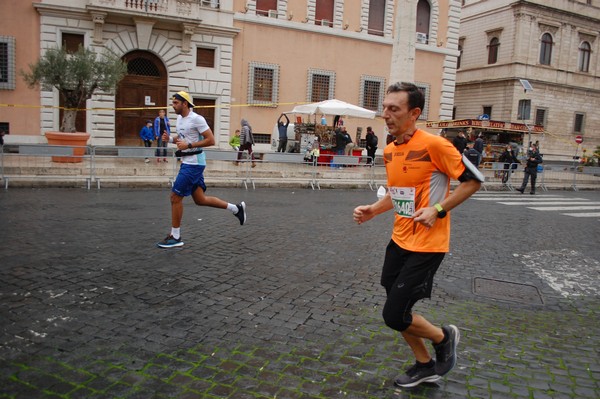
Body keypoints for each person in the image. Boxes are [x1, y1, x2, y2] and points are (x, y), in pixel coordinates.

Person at [352, 82, 482, 388]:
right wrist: (373, 209)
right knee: (399, 308)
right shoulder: (388, 150)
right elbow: (399, 195)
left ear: (414, 113)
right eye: (384, 108)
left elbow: (473, 181)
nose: (385, 114)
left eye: (394, 109)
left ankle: (444, 336)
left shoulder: (435, 145)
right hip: (399, 241)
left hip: (428, 245)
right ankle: (424, 364)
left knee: (394, 315)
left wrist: (438, 208)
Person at [157, 91, 246, 249]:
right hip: (188, 162)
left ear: (185, 103)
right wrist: (170, 139)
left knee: (175, 197)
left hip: (194, 164)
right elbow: (183, 137)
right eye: (173, 102)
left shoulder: (197, 119)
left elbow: (211, 140)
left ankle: (175, 236)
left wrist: (189, 146)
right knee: (200, 200)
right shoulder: (179, 119)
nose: (173, 105)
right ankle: (236, 208)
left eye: (176, 103)